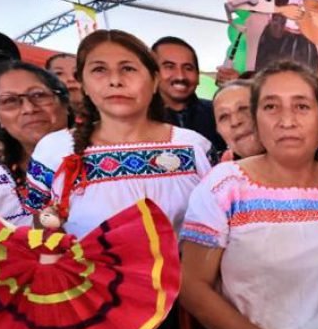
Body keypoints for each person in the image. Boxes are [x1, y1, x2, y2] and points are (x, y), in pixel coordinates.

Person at [180, 62, 318, 329]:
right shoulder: (226, 185)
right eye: (271, 107)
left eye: (302, 106)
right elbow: (193, 284)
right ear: (256, 120)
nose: (287, 121)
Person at [26, 29, 213, 239]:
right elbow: (42, 227)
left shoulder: (194, 147)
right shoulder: (54, 150)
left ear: (154, 81)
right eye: (99, 69)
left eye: (128, 68)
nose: (115, 80)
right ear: (83, 84)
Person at [0, 62, 70, 226]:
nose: (29, 109)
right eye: (10, 100)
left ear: (65, 103)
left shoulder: (106, 158)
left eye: (39, 95)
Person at [152, 36, 225, 155]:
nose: (180, 76)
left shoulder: (219, 113)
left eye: (188, 68)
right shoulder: (138, 120)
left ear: (198, 76)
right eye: (169, 67)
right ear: (153, 74)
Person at [212, 79, 263, 160]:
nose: (235, 122)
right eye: (223, 116)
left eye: (243, 109)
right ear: (218, 130)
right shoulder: (222, 168)